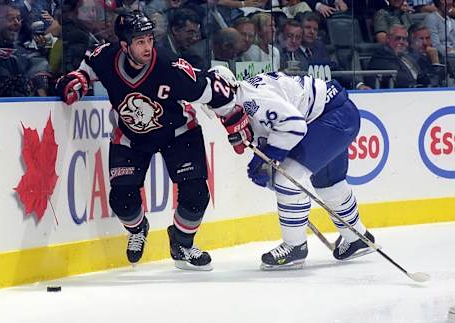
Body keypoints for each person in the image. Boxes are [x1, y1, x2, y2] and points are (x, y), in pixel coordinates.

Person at [55, 11, 241, 271]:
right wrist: (79, 80)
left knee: (196, 195)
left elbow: (210, 90)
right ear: (124, 45)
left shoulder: (170, 66)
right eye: (140, 41)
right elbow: (87, 69)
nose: (147, 47)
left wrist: (234, 117)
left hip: (178, 133)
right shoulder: (105, 57)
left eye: (149, 39)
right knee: (121, 200)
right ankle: (138, 227)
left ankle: (182, 243)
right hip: (131, 137)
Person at [210, 65, 375, 270]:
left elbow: (294, 125)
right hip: (333, 113)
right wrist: (266, 159)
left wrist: (267, 159)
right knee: (328, 183)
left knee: (287, 179)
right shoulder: (243, 95)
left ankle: (295, 247)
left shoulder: (251, 101)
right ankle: (357, 237)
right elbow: (279, 127)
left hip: (332, 118)